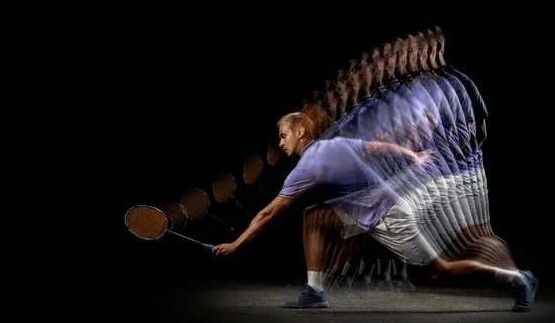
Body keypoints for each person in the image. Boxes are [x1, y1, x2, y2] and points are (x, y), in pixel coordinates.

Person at [212, 105, 538, 312]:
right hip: (364, 210)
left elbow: (269, 214)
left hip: (389, 215)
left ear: (301, 132)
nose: (281, 143)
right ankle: (314, 291)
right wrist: (413, 156)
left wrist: (237, 244)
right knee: (314, 216)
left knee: (441, 270)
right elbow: (377, 146)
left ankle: (518, 278)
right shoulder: (335, 144)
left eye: (283, 136)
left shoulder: (305, 169)